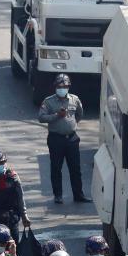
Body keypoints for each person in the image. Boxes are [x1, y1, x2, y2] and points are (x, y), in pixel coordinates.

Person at [38, 74, 90, 204]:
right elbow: (41, 117)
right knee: (56, 168)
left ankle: (78, 195)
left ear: (68, 87)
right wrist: (57, 116)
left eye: (65, 86)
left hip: (72, 139)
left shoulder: (74, 99)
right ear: (56, 87)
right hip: (56, 139)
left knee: (75, 169)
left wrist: (71, 125)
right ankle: (58, 195)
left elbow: (79, 114)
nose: (62, 88)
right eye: (60, 86)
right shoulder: (48, 101)